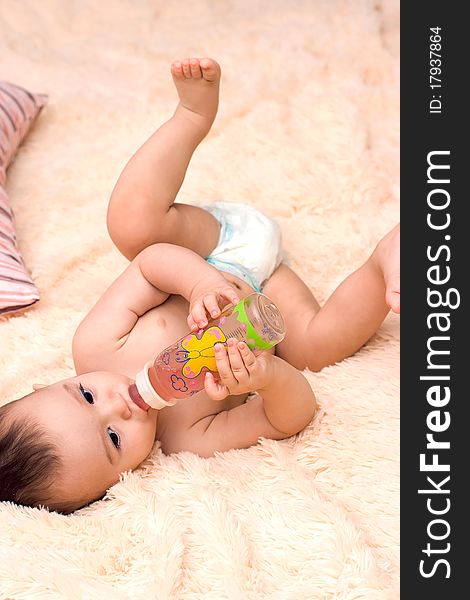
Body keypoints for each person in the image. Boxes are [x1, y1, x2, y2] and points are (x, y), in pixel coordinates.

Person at [0, 58, 400, 514]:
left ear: (44, 385)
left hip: (214, 249)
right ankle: (384, 261)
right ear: (119, 481)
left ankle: (191, 117)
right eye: (113, 439)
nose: (119, 406)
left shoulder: (95, 344)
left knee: (133, 227)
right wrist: (268, 379)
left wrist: (201, 284)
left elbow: (151, 267)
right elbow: (290, 417)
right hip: (268, 299)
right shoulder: (188, 437)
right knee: (317, 348)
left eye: (87, 395)